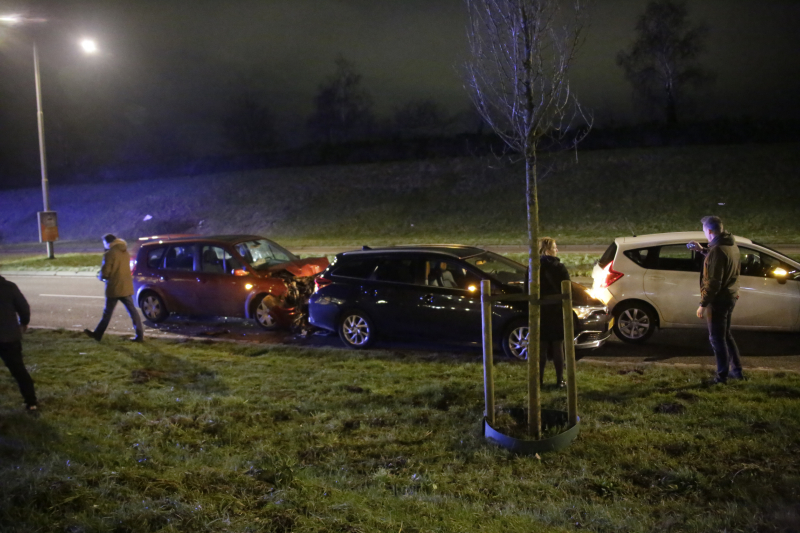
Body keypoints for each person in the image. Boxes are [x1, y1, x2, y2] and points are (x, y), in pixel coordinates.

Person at [688, 216, 743, 384]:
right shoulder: (730, 245)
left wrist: (702, 304)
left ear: (709, 231)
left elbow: (714, 282)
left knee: (717, 339)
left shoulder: (718, 250)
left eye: (704, 231)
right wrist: (702, 250)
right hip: (731, 296)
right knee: (725, 336)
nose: (704, 233)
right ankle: (737, 371)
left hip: (719, 300)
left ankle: (721, 376)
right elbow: (719, 260)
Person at [84, 234, 145, 342]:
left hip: (114, 287)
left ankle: (98, 334)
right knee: (132, 311)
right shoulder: (125, 252)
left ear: (108, 243)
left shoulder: (110, 254)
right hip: (126, 286)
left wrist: (100, 276)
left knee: (107, 312)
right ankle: (139, 335)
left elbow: (105, 272)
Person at [0, 274, 38, 411]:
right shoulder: (9, 287)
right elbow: (23, 307)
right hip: (9, 336)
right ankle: (31, 402)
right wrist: (24, 323)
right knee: (19, 370)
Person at [539, 237, 570, 388]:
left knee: (541, 346)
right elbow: (568, 290)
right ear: (547, 250)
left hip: (539, 311)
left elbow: (527, 290)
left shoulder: (533, 268)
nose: (557, 250)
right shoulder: (560, 268)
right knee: (558, 345)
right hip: (556, 311)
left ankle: (538, 380)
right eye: (555, 247)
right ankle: (560, 380)